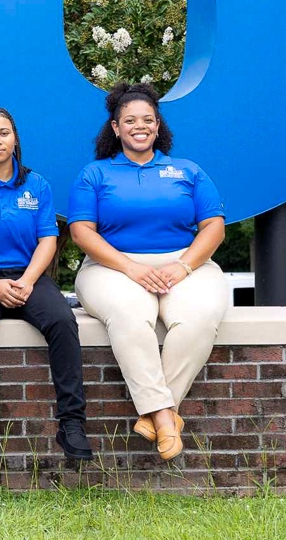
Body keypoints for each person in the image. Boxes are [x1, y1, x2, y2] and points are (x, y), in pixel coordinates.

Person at [68, 82, 231, 461]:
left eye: (147, 120)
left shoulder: (188, 171)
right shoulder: (94, 174)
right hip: (111, 266)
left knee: (200, 317)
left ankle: (156, 416)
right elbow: (81, 232)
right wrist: (131, 268)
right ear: (115, 128)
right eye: (129, 121)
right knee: (131, 315)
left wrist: (184, 265)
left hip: (186, 264)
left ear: (158, 126)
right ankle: (165, 415)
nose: (139, 126)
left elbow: (214, 227)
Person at [0, 107, 92, 465]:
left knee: (62, 321)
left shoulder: (37, 185)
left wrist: (27, 281)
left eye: (3, 132)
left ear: (15, 138)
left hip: (29, 275)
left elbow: (48, 240)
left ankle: (71, 423)